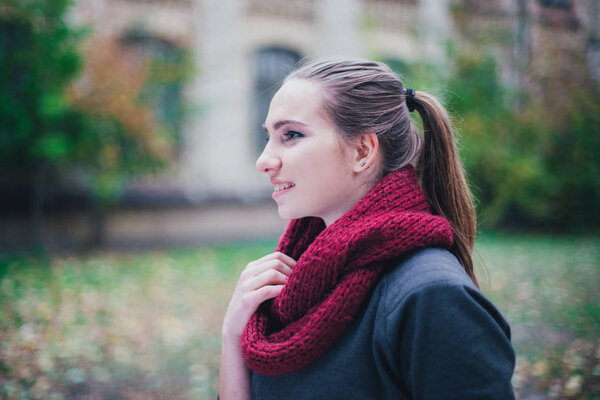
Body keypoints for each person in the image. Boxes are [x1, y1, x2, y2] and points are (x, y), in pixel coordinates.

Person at [219, 58, 515, 399]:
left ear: (362, 151)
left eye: (292, 135)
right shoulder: (291, 284)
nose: (264, 160)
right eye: (269, 137)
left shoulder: (431, 295)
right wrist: (232, 333)